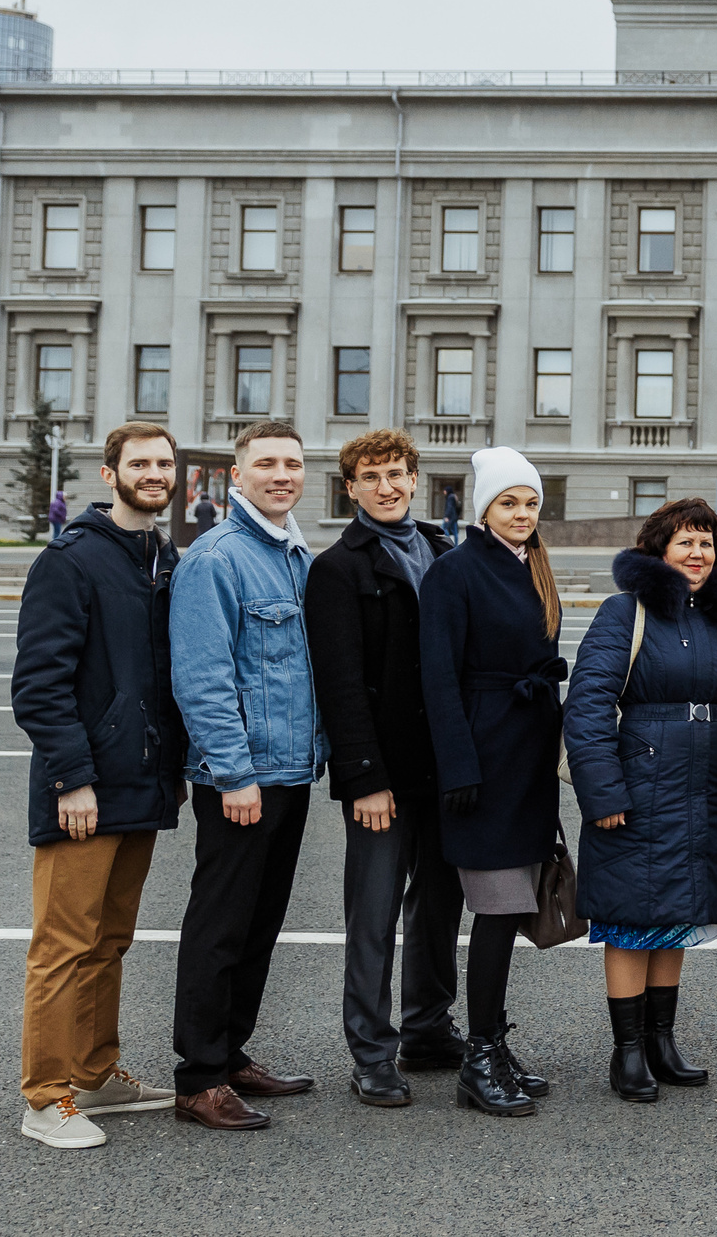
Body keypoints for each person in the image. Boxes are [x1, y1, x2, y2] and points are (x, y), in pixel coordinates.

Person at [11, 422, 185, 1148]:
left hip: (140, 784)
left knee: (109, 940)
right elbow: (38, 685)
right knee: (63, 943)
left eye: (163, 463)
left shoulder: (160, 556)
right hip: (84, 789)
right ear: (110, 474)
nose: (154, 472)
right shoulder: (71, 559)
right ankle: (45, 1097)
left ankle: (93, 1072)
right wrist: (72, 780)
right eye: (139, 463)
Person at [166, 419, 323, 1132]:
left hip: (289, 771)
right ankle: (199, 1076)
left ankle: (231, 1052)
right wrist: (232, 773)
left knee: (259, 923)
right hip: (242, 776)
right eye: (266, 463)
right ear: (238, 476)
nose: (282, 473)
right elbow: (203, 676)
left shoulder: (296, 554)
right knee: (222, 925)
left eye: (292, 462)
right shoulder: (218, 557)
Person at [566, 498, 717, 1102]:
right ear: (658, 550)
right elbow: (588, 705)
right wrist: (603, 791)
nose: (698, 555)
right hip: (640, 785)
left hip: (702, 786)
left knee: (678, 915)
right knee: (629, 917)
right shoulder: (625, 610)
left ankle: (662, 1041)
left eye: (706, 544)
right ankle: (627, 1052)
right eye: (685, 543)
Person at [305, 429, 461, 1108]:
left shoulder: (444, 550)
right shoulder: (339, 567)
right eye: (372, 477)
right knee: (372, 913)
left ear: (415, 477)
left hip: (446, 767)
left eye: (397, 473)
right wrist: (364, 778)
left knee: (438, 905)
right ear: (351, 487)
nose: (388, 486)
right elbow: (339, 683)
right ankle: (372, 1049)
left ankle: (428, 1027)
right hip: (384, 776)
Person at [419, 446, 568, 1117]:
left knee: (511, 913)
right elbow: (438, 676)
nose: (521, 513)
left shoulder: (532, 566)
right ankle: (479, 1057)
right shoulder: (454, 572)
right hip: (483, 764)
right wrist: (458, 764)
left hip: (526, 760)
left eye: (531, 502)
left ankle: (492, 1041)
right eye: (509, 501)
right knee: (498, 909)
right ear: (483, 507)